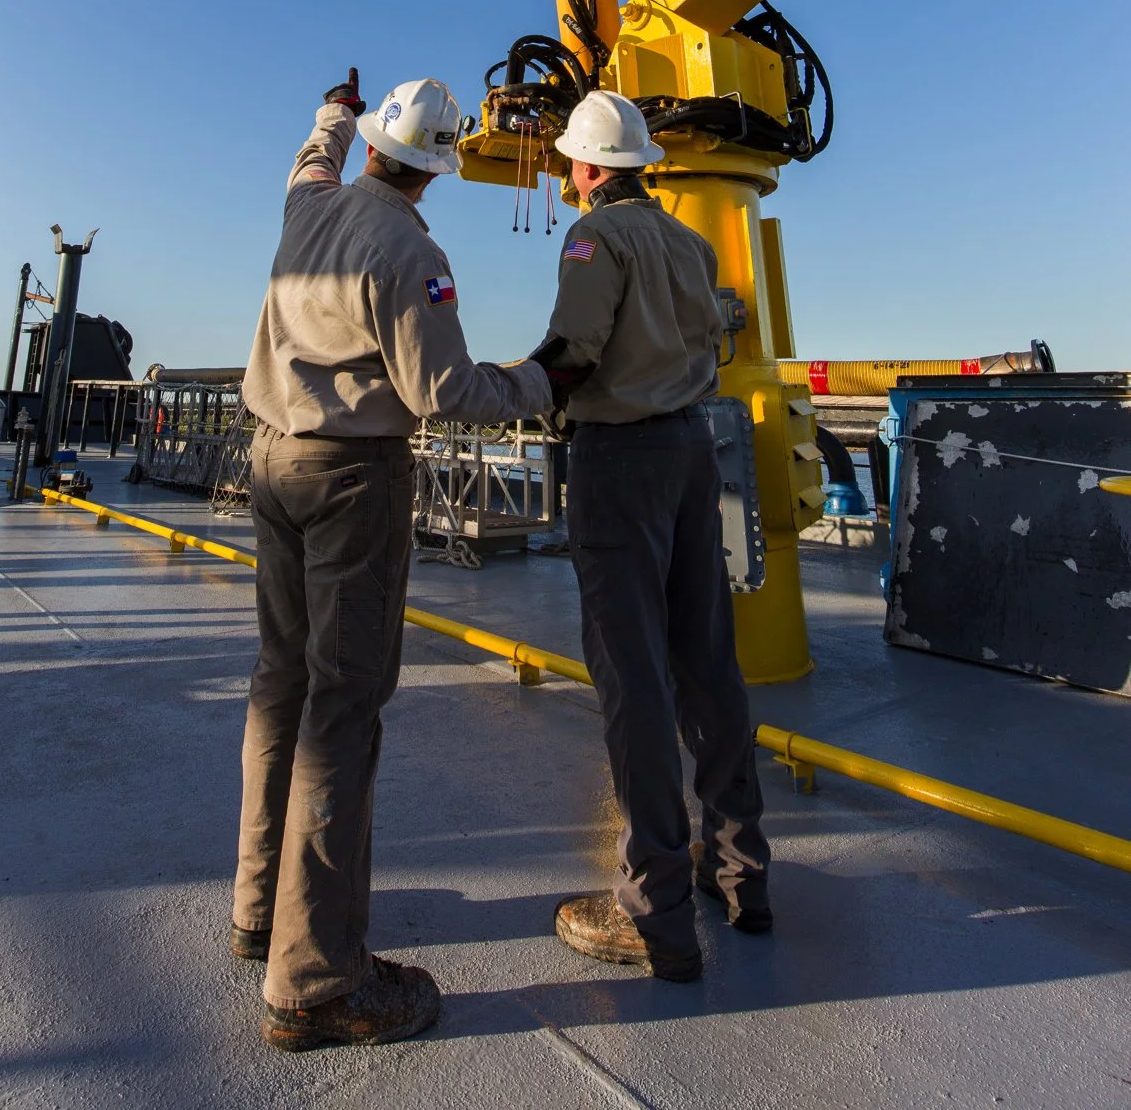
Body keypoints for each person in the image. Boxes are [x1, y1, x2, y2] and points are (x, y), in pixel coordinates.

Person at [233, 69, 553, 1052]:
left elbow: (309, 155)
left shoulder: (309, 205)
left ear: (375, 142)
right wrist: (545, 375)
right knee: (344, 704)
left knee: (281, 683)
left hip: (271, 461)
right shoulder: (408, 250)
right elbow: (444, 390)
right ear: (441, 165)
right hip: (348, 480)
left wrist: (330, 108)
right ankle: (317, 979)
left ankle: (259, 909)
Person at [537, 89, 771, 983]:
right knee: (707, 662)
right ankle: (740, 874)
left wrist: (514, 385)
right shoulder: (690, 240)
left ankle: (655, 912)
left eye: (570, 160)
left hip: (622, 463)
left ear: (590, 167)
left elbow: (576, 348)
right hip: (689, 452)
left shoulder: (593, 238)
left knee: (632, 676)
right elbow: (707, 341)